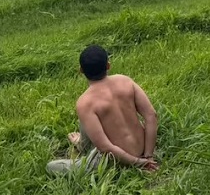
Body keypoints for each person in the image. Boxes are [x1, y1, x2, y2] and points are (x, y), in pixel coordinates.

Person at [47, 45, 159, 175]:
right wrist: (148, 156)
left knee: (51, 166)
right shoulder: (125, 81)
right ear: (108, 65)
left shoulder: (85, 102)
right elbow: (151, 115)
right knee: (86, 118)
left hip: (115, 161)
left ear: (81, 70)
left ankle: (82, 145)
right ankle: (82, 143)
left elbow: (105, 147)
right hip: (142, 147)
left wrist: (138, 162)